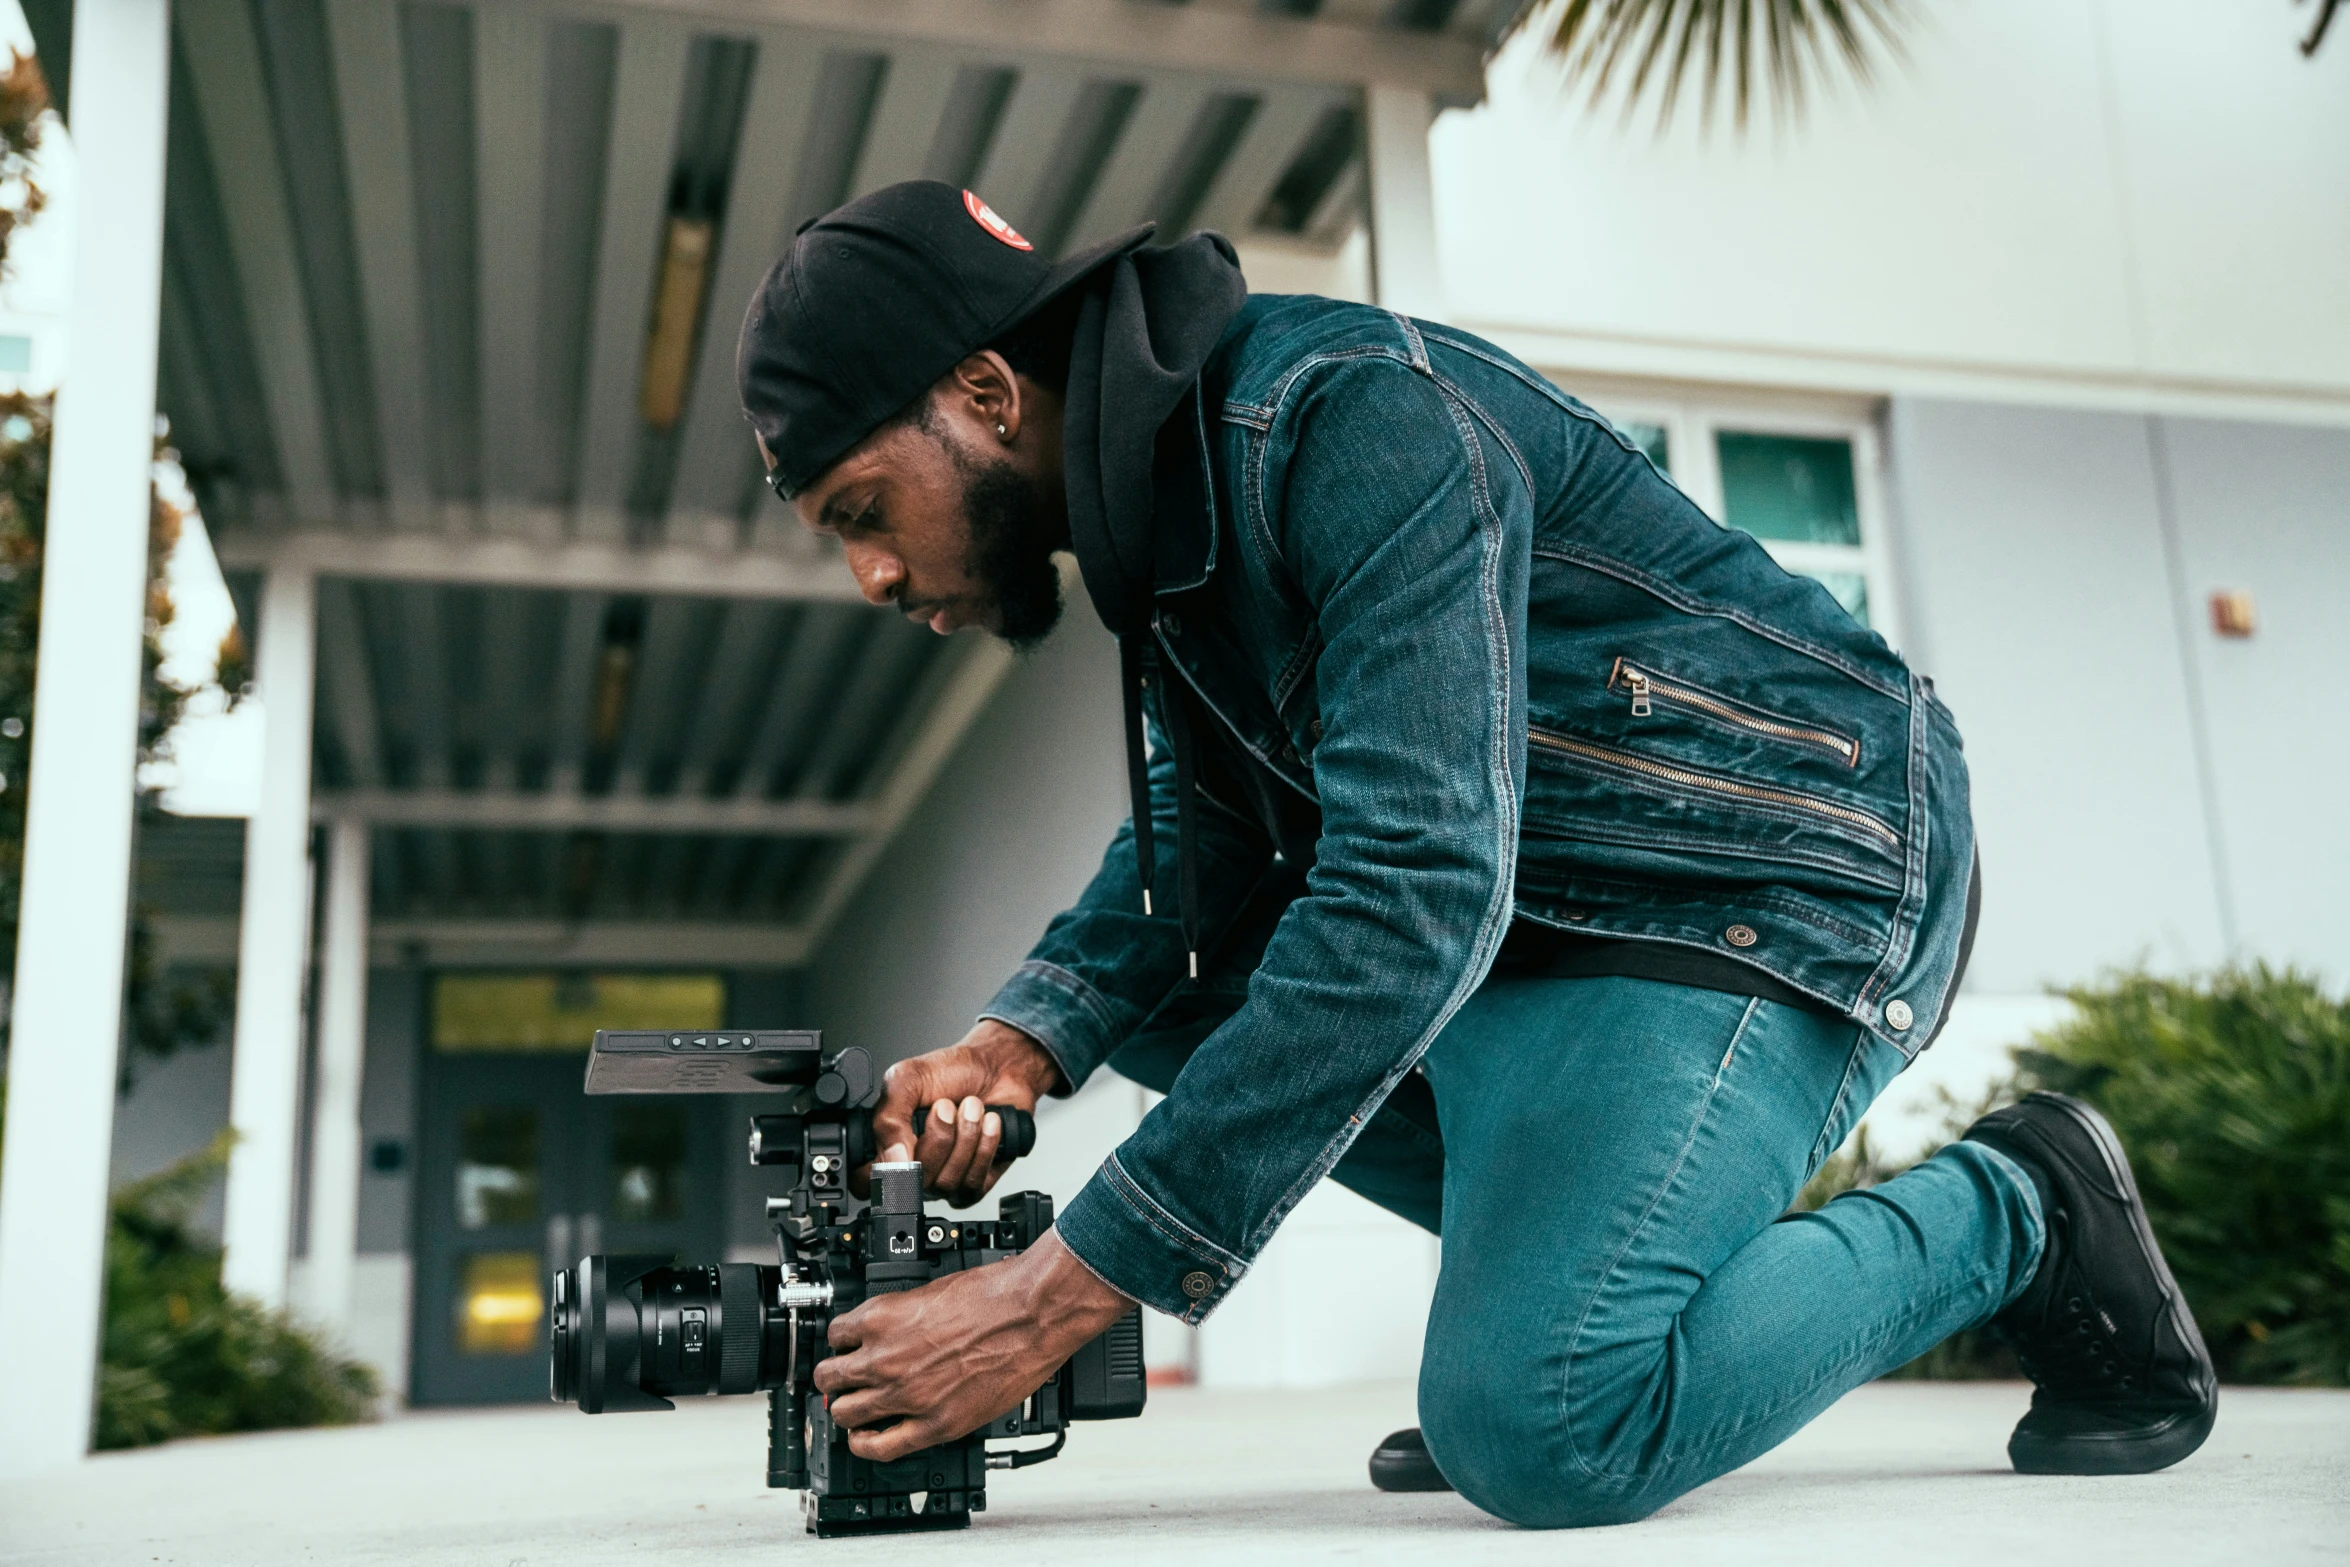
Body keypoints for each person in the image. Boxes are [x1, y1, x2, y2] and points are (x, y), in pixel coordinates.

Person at [732, 180, 2217, 1525]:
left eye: (861, 510)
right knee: (1175, 993)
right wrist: (1019, 1038)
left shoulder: (1348, 417)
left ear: (987, 392)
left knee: (1545, 1418)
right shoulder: (1166, 536)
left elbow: (1412, 889)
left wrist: (1042, 1302)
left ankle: (2019, 1202)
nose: (870, 572)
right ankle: (1567, 1275)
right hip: (1559, 921)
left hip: (1765, 879)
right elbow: (1199, 840)